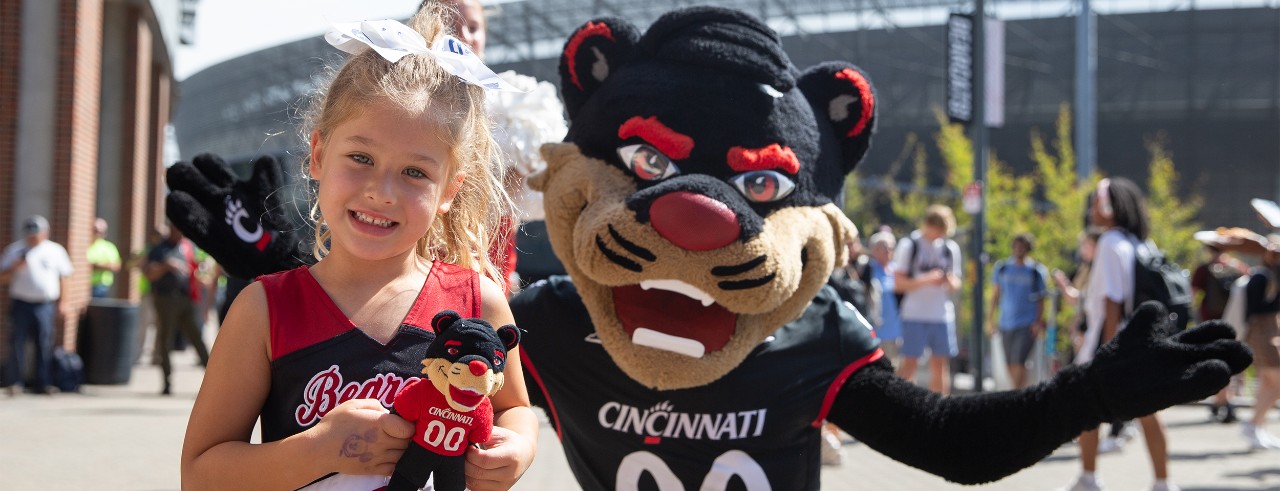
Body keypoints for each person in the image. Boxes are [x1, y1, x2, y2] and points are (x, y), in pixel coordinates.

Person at [180, 6, 537, 490]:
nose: (382, 191)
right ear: (319, 155)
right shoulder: (264, 310)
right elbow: (200, 475)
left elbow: (514, 407)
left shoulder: (479, 302)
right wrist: (320, 449)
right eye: (361, 158)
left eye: (415, 172)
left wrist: (517, 446)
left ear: (450, 190)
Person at [1062, 177, 1176, 491]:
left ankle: (1088, 479)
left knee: (1088, 410)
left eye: (1097, 202)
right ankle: (1162, 483)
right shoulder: (1140, 242)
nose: (1093, 208)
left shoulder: (1110, 242)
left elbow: (1111, 301)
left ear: (1111, 208)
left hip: (1111, 341)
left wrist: (1108, 351)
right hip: (1140, 339)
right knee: (1147, 412)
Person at [0, 215, 73, 395]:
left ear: (45, 233)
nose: (32, 237)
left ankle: (43, 383)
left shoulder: (55, 251)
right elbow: (2, 278)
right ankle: (15, 382)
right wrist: (16, 267)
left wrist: (63, 302)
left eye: (36, 233)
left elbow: (64, 277)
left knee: (44, 343)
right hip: (21, 303)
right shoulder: (15, 251)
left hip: (45, 305)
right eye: (29, 233)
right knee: (17, 343)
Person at [893, 204, 962, 395]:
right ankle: (904, 409)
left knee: (940, 365)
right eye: (938, 230)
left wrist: (948, 280)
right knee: (909, 364)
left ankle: (940, 412)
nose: (940, 235)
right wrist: (926, 279)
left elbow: (957, 283)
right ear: (928, 224)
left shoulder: (950, 248)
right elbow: (898, 283)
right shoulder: (910, 245)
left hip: (941, 315)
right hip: (914, 314)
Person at [144, 223, 210, 395]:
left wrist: (201, 272)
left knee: (197, 339)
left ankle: (213, 379)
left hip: (187, 299)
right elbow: (150, 273)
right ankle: (167, 382)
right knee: (166, 341)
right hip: (166, 299)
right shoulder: (160, 249)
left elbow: (198, 267)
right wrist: (166, 265)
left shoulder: (188, 247)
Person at [1190, 243, 1248, 423]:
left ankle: (1223, 400)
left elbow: (1192, 294)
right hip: (1234, 319)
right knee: (1233, 360)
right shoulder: (1237, 267)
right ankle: (1226, 399)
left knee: (1216, 359)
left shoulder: (1204, 269)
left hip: (1211, 322)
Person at [987, 233, 1049, 389]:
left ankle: (1017, 396)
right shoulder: (1003, 268)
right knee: (1009, 363)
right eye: (1016, 246)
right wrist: (990, 319)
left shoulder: (1036, 272)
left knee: (1019, 361)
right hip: (1006, 322)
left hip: (1026, 323)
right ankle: (1019, 392)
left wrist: (1037, 321)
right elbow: (995, 295)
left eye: (1022, 247)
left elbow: (1041, 299)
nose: (1019, 250)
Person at [1238, 235, 1280, 450]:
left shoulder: (1270, 274)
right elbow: (1254, 309)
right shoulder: (1261, 276)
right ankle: (1253, 423)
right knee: (1275, 380)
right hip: (1261, 331)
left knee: (1268, 382)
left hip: (1269, 329)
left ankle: (1257, 426)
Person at [867, 230, 902, 360]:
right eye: (884, 247)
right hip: (876, 332)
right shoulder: (867, 270)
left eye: (891, 247)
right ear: (874, 249)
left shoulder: (897, 270)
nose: (888, 251)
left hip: (898, 332)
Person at [87, 217, 121, 298]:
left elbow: (116, 266)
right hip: (84, 284)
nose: (98, 233)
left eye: (101, 231)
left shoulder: (109, 247)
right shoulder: (86, 245)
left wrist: (97, 265)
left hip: (101, 286)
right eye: (95, 230)